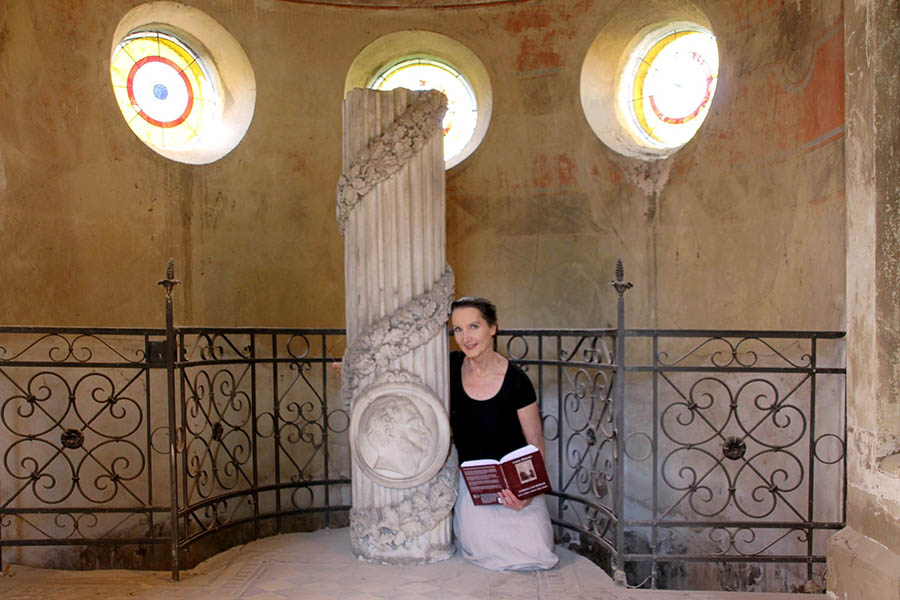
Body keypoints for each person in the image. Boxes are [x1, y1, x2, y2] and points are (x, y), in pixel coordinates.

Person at [449, 296, 559, 571]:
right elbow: (406, 375)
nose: (465, 337)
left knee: (536, 554)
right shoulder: (449, 367)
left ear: (493, 328)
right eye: (458, 329)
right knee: (482, 552)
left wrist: (527, 494)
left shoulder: (517, 381)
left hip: (516, 483)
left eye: (474, 326)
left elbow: (535, 443)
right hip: (475, 484)